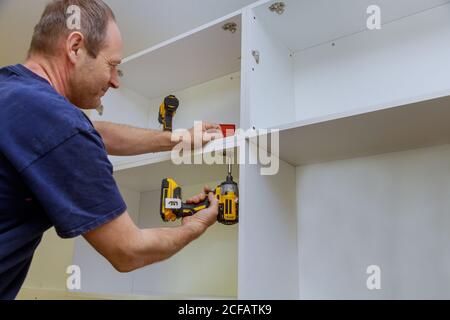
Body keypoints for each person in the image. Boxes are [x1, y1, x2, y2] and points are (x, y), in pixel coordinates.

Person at [0, 0, 223, 300]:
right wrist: (195, 226)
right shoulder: (60, 125)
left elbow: (94, 135)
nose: (116, 82)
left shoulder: (13, 91)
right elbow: (128, 251)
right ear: (75, 47)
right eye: (113, 65)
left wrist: (178, 138)